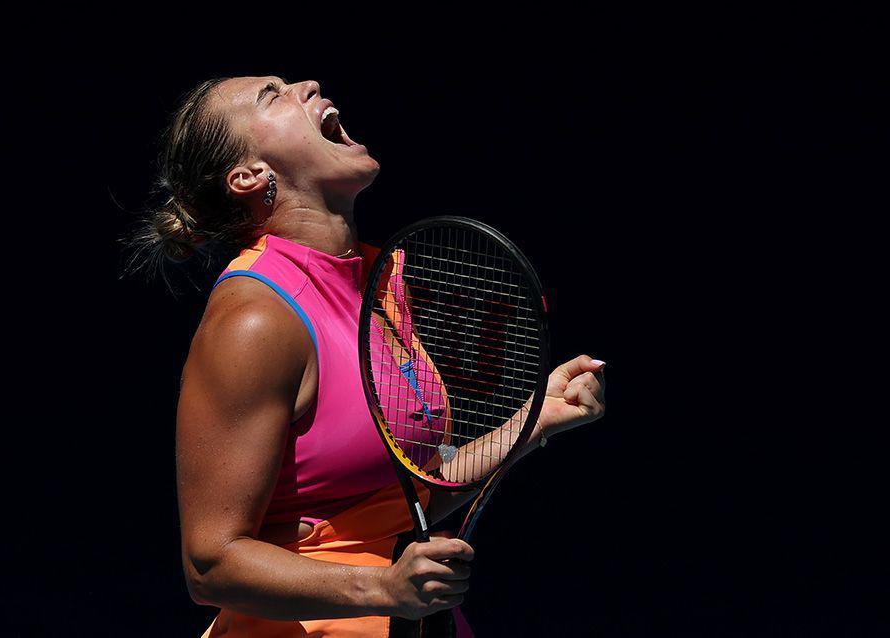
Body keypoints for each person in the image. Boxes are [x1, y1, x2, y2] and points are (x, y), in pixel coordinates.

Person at [132, 76, 607, 637]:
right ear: (249, 177)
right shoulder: (255, 319)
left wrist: (536, 420)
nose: (307, 83)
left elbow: (404, 495)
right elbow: (210, 564)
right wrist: (379, 588)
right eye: (272, 94)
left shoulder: (378, 286)